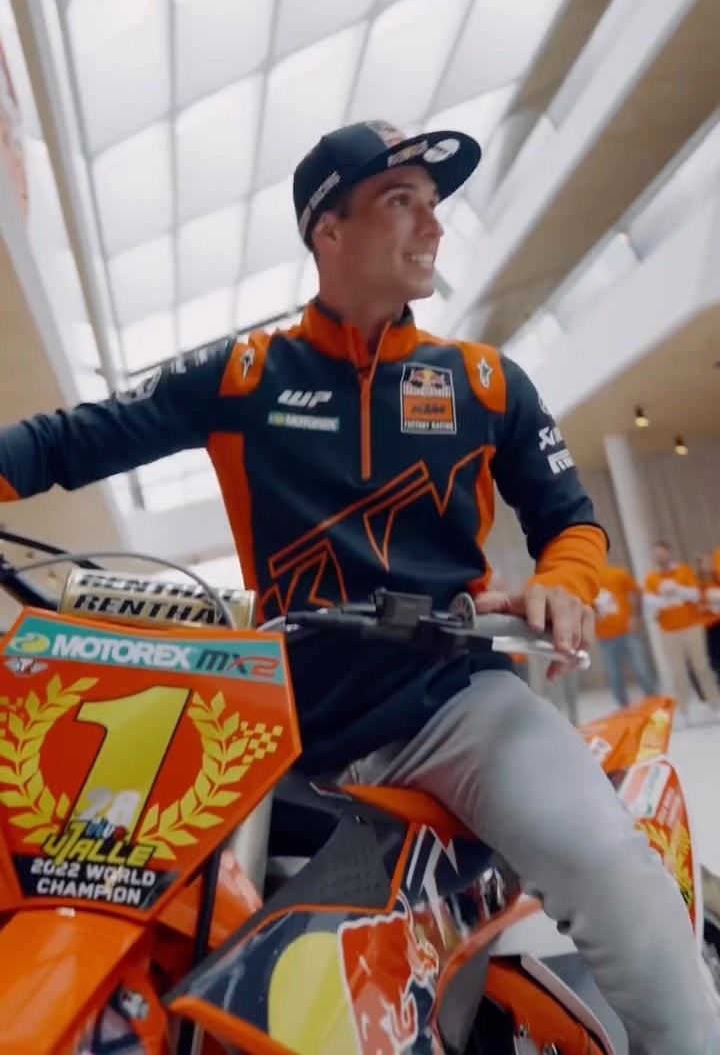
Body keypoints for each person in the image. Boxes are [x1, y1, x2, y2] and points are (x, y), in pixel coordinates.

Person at [0, 119, 717, 1054]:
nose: (434, 225)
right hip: (273, 721)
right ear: (327, 228)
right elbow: (64, 442)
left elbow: (570, 521)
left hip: (454, 706)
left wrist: (565, 580)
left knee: (610, 865)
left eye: (435, 203)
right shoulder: (244, 375)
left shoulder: (486, 383)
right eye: (401, 201)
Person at [644, 540, 720, 716]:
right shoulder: (651, 577)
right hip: (669, 631)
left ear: (669, 553)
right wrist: (665, 599)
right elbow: (649, 601)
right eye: (656, 555)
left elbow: (695, 594)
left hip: (692, 627)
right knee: (678, 672)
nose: (659, 557)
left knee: (701, 667)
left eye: (662, 553)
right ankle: (683, 710)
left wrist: (678, 590)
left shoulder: (684, 570)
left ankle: (714, 702)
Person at [594, 564, 656, 709]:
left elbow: (636, 592)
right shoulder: (582, 582)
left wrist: (636, 616)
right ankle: (624, 709)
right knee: (614, 676)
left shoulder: (617, 574)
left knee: (642, 669)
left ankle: (655, 702)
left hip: (627, 632)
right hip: (604, 637)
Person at [697, 552, 720, 680]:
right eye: (705, 563)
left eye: (710, 562)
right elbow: (697, 606)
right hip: (709, 625)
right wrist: (708, 606)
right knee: (715, 657)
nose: (709, 565)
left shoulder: (717, 580)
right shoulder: (699, 585)